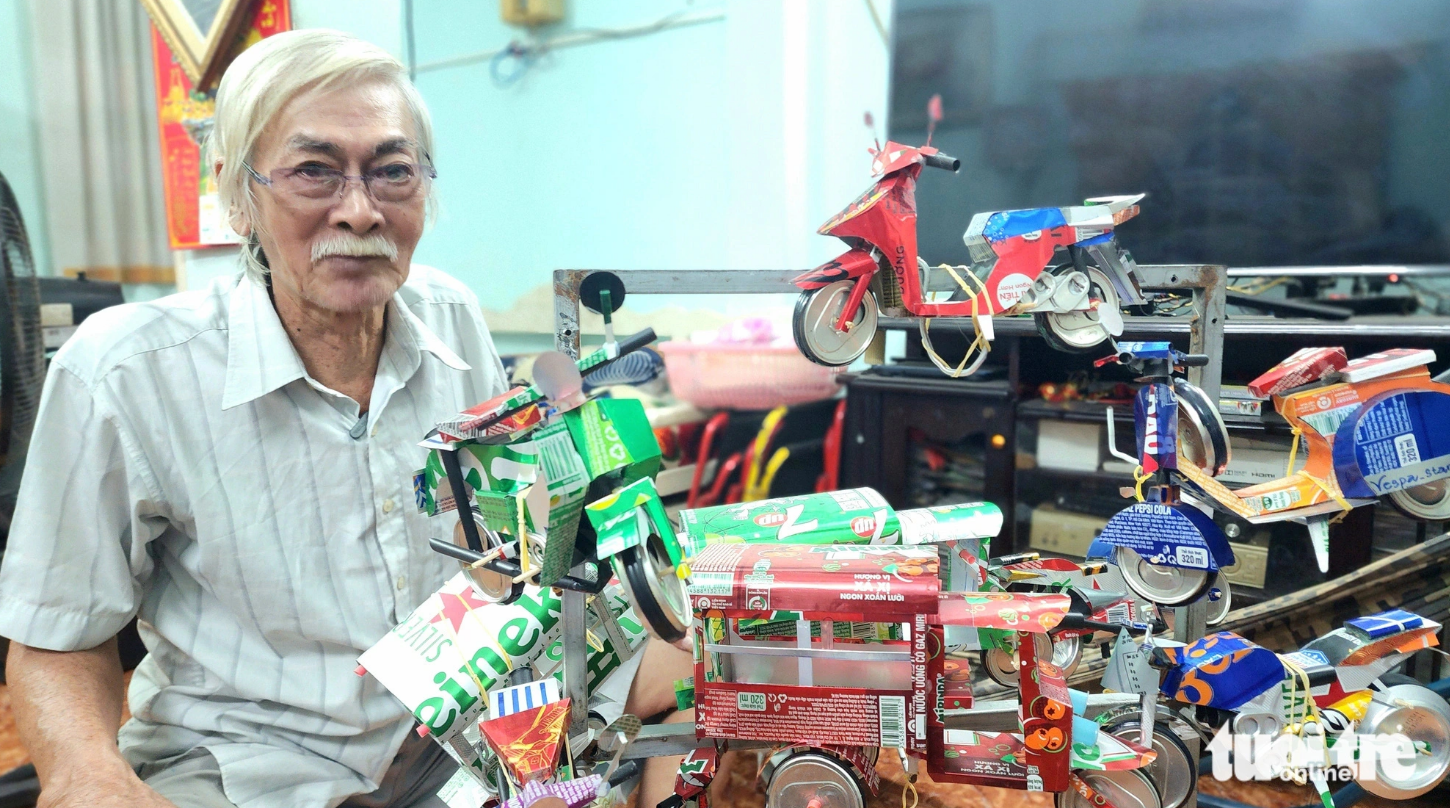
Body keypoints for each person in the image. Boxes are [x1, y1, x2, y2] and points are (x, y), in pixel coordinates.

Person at [0, 29, 691, 808]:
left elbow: (504, 547)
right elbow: (56, 638)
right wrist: (84, 774)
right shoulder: (126, 372)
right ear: (237, 192)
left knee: (715, 673)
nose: (360, 211)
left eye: (392, 171)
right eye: (313, 171)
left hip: (457, 744)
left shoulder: (451, 317)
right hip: (247, 768)